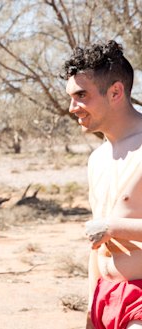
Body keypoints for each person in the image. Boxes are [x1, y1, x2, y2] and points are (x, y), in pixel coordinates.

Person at [62, 40, 142, 329]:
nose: (73, 107)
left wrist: (113, 228)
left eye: (81, 95)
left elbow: (106, 230)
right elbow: (97, 247)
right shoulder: (96, 159)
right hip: (105, 299)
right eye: (71, 97)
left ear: (116, 92)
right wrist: (91, 314)